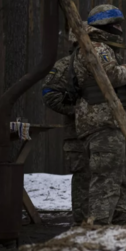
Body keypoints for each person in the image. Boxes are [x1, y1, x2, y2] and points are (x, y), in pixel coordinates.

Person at [72, 4, 126, 225]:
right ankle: (99, 226)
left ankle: (117, 221)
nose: (119, 28)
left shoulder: (88, 47)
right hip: (104, 121)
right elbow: (111, 76)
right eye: (115, 24)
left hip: (99, 121)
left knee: (113, 175)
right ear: (104, 25)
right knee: (106, 178)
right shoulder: (99, 48)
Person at [41, 38, 89, 223]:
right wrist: (77, 111)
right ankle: (82, 224)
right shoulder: (65, 65)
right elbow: (49, 94)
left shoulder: (103, 62)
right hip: (77, 133)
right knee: (83, 177)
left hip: (103, 132)